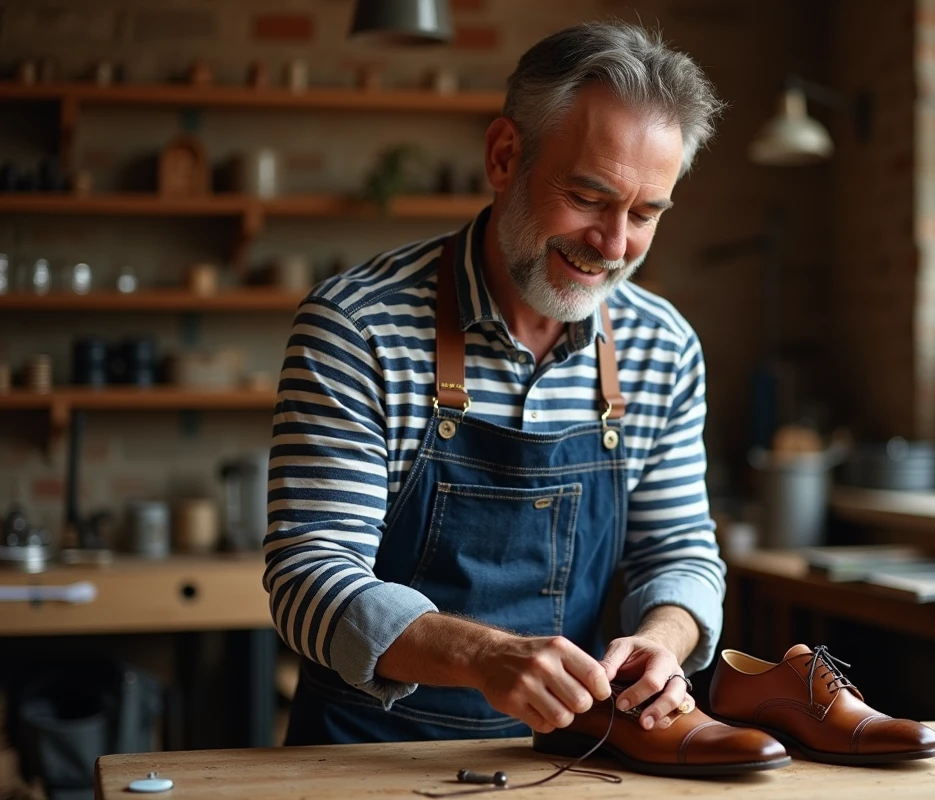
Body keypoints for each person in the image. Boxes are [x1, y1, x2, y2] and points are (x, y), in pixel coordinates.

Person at [264, 20, 728, 745]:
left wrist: (665, 641)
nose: (612, 246)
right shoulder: (358, 328)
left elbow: (679, 553)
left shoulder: (660, 345)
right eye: (587, 197)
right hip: (365, 754)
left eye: (643, 214)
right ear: (505, 155)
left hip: (568, 753)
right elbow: (308, 576)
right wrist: (484, 656)